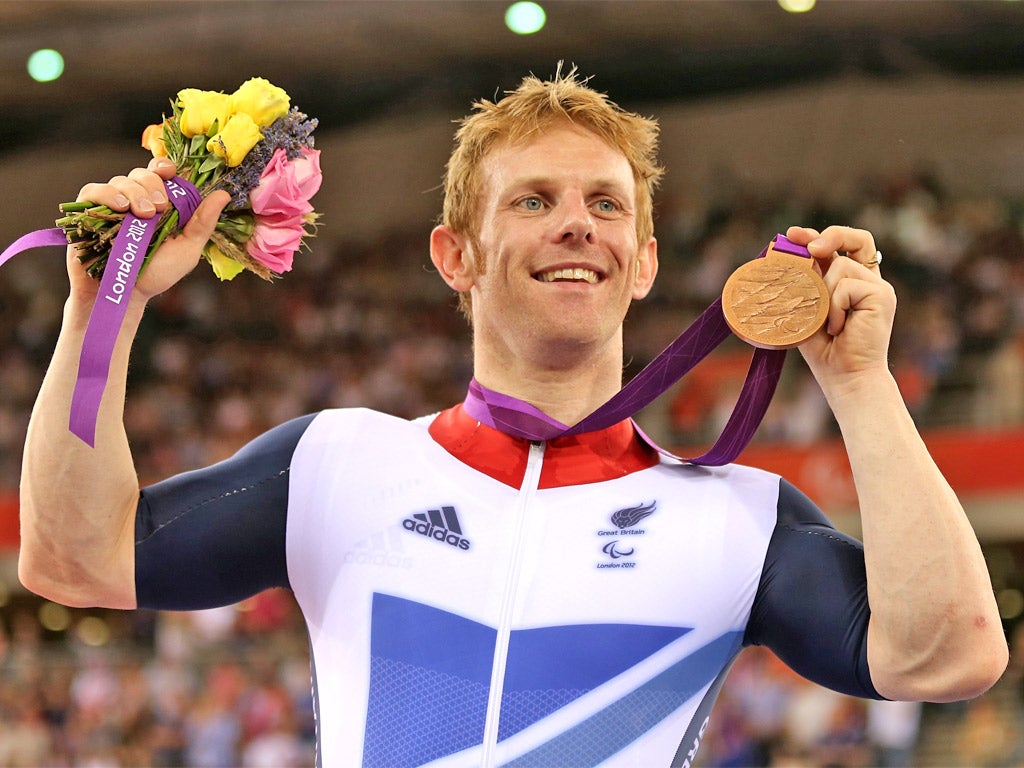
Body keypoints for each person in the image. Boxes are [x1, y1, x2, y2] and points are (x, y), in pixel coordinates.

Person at [18, 69, 1007, 767]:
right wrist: (104, 310)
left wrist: (860, 383)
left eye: (605, 205)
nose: (576, 222)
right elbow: (75, 557)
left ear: (646, 261)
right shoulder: (336, 466)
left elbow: (949, 653)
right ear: (456, 256)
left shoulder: (739, 516)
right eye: (532, 201)